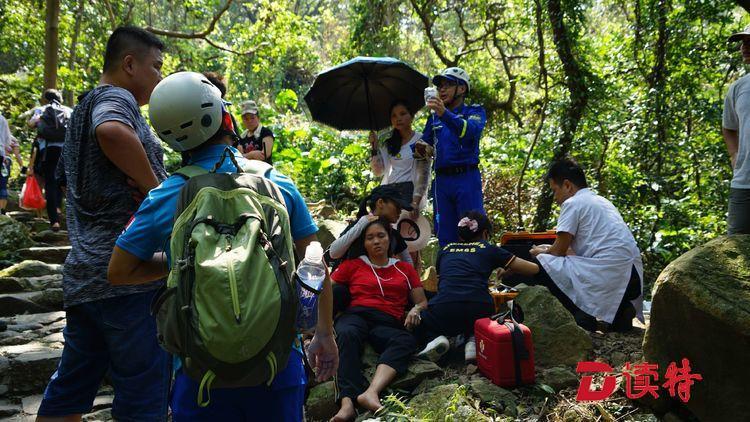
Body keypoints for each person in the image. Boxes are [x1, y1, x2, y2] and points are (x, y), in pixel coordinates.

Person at [107, 71, 338, 421]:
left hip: (200, 375)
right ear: (223, 116)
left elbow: (119, 271)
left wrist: (180, 264)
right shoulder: (276, 183)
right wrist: (324, 332)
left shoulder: (167, 195)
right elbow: (315, 264)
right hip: (277, 366)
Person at [36, 26, 170, 422]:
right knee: (142, 398)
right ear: (129, 64)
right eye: (156, 67)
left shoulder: (80, 111)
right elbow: (111, 131)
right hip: (129, 279)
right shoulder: (116, 98)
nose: (160, 77)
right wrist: (156, 190)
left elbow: (65, 177)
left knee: (69, 390)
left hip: (86, 276)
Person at [330, 218, 427, 421]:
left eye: (381, 236)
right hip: (356, 315)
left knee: (405, 340)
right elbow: (326, 290)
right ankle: (347, 404)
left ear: (389, 239)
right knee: (346, 334)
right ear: (363, 243)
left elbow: (422, 301)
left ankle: (370, 393)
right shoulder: (353, 265)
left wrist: (415, 309)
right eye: (370, 238)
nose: (376, 242)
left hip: (387, 321)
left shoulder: (405, 269)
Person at [530, 159, 644, 332]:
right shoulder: (603, 201)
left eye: (554, 191)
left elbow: (558, 252)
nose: (555, 198)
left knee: (543, 264)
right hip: (632, 278)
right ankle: (621, 312)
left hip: (611, 276)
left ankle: (581, 314)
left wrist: (539, 252)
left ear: (567, 185)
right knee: (562, 263)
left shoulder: (572, 203)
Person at [414, 211, 539, 363]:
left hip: (445, 310)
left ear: (461, 234)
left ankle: (437, 338)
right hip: (480, 309)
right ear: (485, 233)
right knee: (480, 308)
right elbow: (533, 269)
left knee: (421, 319)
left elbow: (444, 285)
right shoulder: (489, 248)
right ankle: (473, 341)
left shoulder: (445, 250)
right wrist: (510, 268)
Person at [418, 67, 487, 246]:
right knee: (445, 234)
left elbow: (469, 131)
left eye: (448, 84)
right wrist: (421, 149)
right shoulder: (433, 118)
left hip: (466, 179)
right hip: (441, 182)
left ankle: (477, 272)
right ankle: (447, 273)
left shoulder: (474, 112)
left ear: (462, 89)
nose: (441, 89)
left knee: (473, 229)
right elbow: (427, 144)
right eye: (440, 85)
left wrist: (444, 114)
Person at [370, 101, 432, 270]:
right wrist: (374, 147)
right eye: (394, 116)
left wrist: (416, 202)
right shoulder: (389, 143)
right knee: (388, 243)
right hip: (389, 199)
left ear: (412, 116)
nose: (398, 118)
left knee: (408, 244)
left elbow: (423, 173)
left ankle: (412, 284)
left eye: (403, 114)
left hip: (409, 199)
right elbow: (378, 171)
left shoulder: (421, 140)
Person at [328, 182, 415, 266]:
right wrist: (361, 225)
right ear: (380, 203)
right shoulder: (360, 225)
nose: (400, 211)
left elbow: (408, 262)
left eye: (381, 236)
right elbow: (333, 253)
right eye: (397, 206)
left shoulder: (394, 235)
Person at [27, 89, 72, 231]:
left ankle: (54, 221)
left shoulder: (42, 109)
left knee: (51, 183)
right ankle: (61, 208)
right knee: (65, 181)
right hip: (66, 150)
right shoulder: (67, 110)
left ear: (46, 98)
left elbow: (31, 124)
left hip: (48, 150)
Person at [723, 25, 750, 234]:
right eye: (743, 43)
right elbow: (728, 127)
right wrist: (734, 155)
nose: (744, 48)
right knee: (736, 247)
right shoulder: (739, 87)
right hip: (744, 183)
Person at [0, 112, 24, 214]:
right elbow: (17, 155)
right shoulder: (3, 120)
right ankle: (1, 212)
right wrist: (23, 167)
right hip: (3, 160)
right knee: (2, 186)